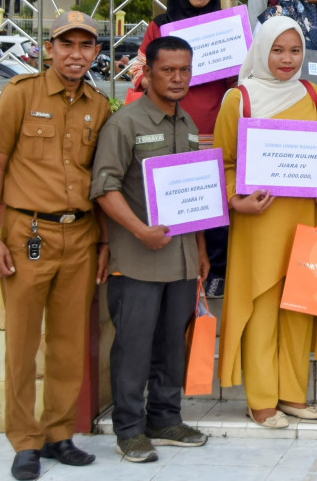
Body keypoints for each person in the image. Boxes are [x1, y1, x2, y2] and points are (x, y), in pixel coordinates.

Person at [0, 11, 111, 481]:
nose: (76, 54)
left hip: (80, 234)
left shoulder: (100, 104)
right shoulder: (21, 95)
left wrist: (102, 241)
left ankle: (58, 434)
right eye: (66, 45)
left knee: (69, 341)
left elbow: (102, 180)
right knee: (22, 341)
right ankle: (25, 440)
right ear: (49, 48)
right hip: (27, 232)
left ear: (96, 52)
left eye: (85, 46)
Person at [90, 36, 210, 463]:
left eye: (185, 70)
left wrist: (198, 247)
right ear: (149, 72)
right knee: (134, 346)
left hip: (179, 261)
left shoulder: (189, 125)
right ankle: (129, 429)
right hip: (138, 259)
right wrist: (140, 231)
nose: (178, 78)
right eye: (168, 70)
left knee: (171, 344)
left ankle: (165, 417)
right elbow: (104, 188)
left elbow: (195, 193)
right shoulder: (126, 123)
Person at [213, 16, 317, 428]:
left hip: (304, 217)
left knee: (299, 305)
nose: (286, 59)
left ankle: (293, 395)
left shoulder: (312, 93)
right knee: (262, 305)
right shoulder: (239, 99)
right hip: (258, 222)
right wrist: (236, 201)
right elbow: (224, 163)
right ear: (262, 50)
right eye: (278, 50)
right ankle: (262, 398)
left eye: (295, 50)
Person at [132, 0, 234, 297]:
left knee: (212, 201)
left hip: (212, 123)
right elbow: (141, 68)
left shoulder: (226, 27)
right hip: (168, 124)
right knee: (176, 197)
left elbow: (240, 75)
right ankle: (177, 269)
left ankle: (216, 269)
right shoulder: (160, 25)